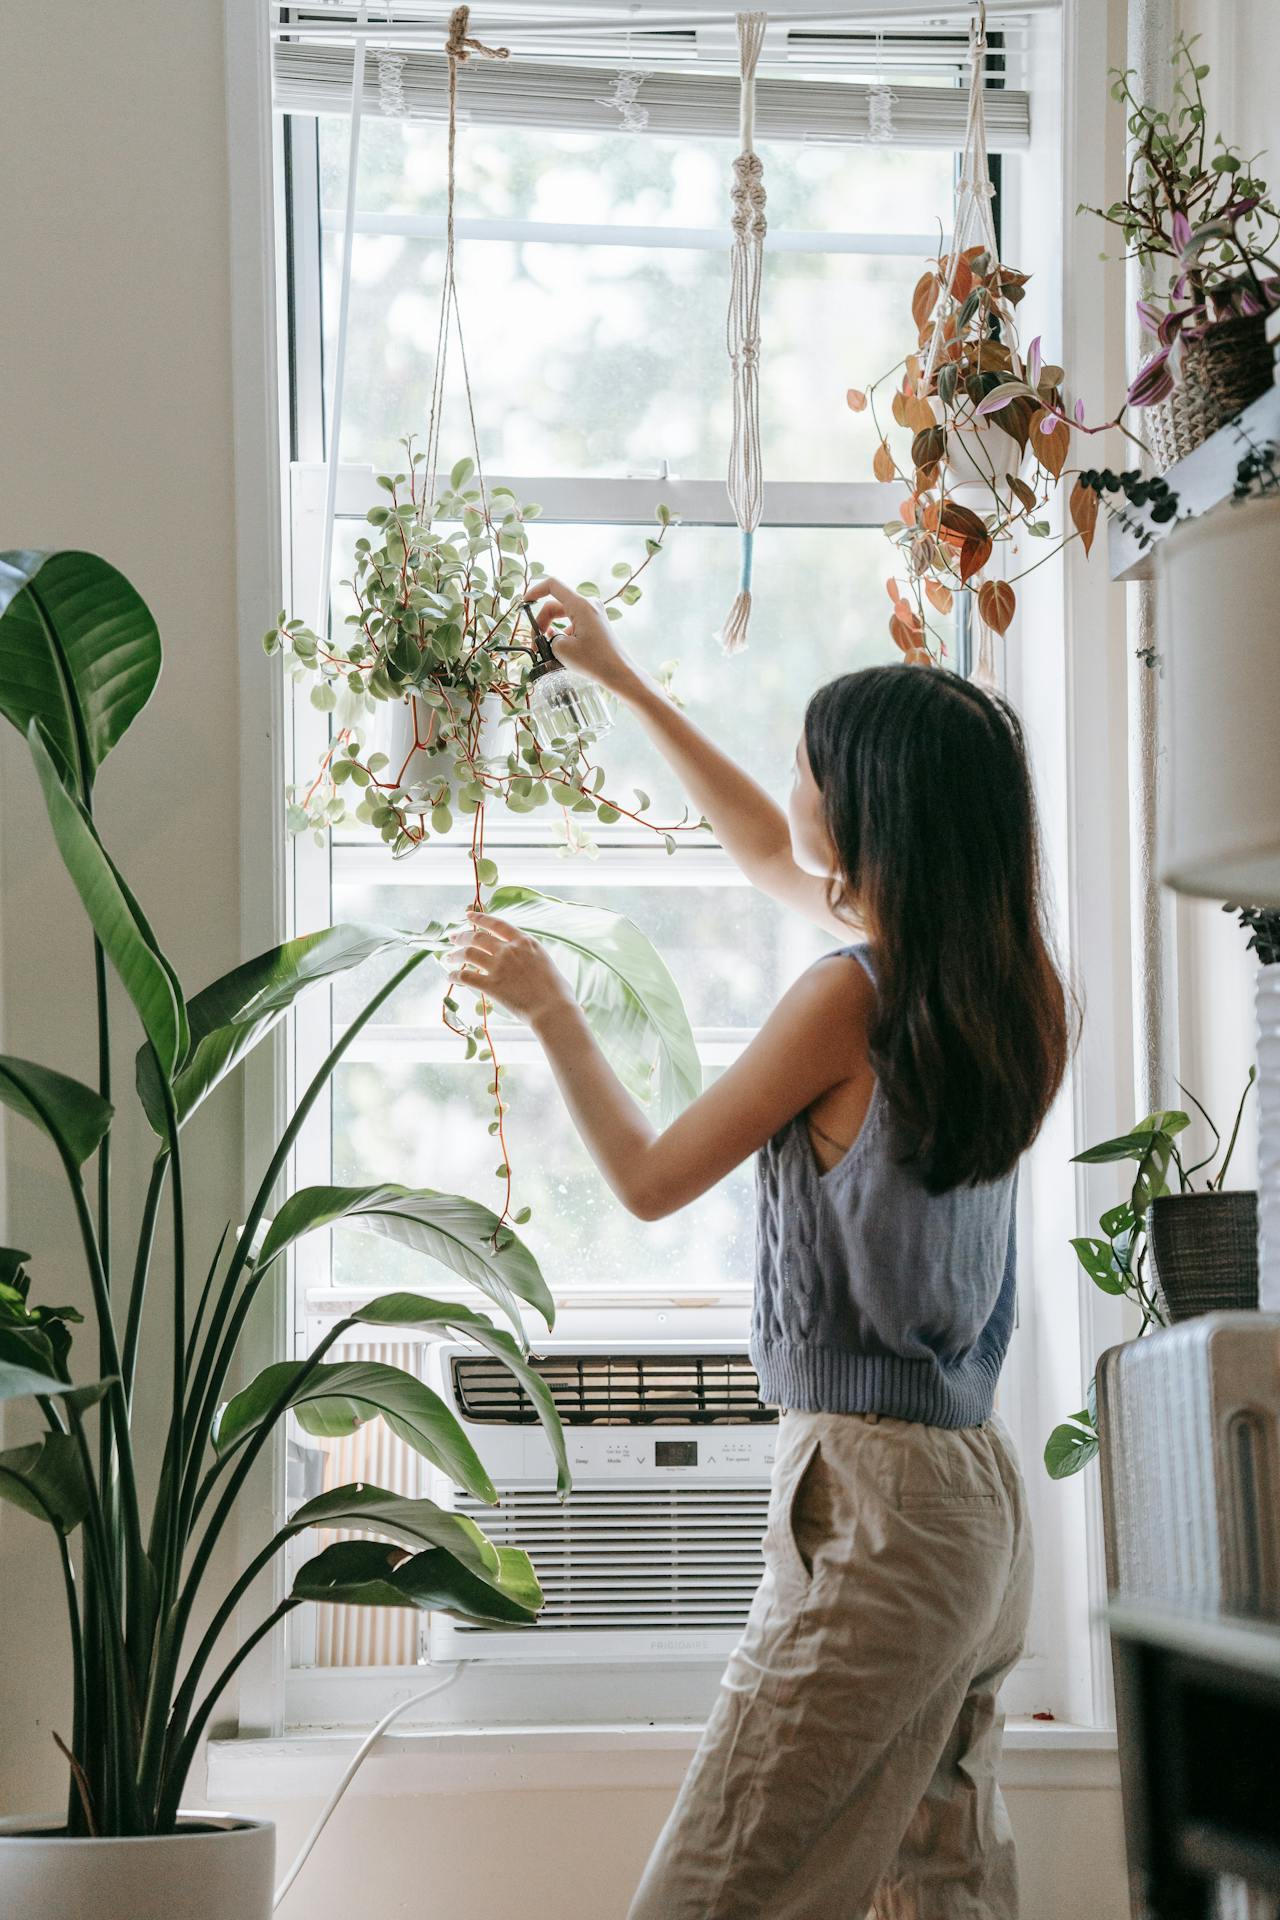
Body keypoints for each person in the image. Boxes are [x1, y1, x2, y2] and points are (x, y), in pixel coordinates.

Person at [446, 579, 1072, 1920]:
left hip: (880, 1509)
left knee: (711, 1892)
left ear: (868, 812)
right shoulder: (1009, 980)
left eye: (806, 763)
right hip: (979, 1504)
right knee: (935, 1888)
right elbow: (756, 853)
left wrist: (552, 1008)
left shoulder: (844, 1001)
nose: (791, 784)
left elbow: (652, 1180)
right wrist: (618, 679)